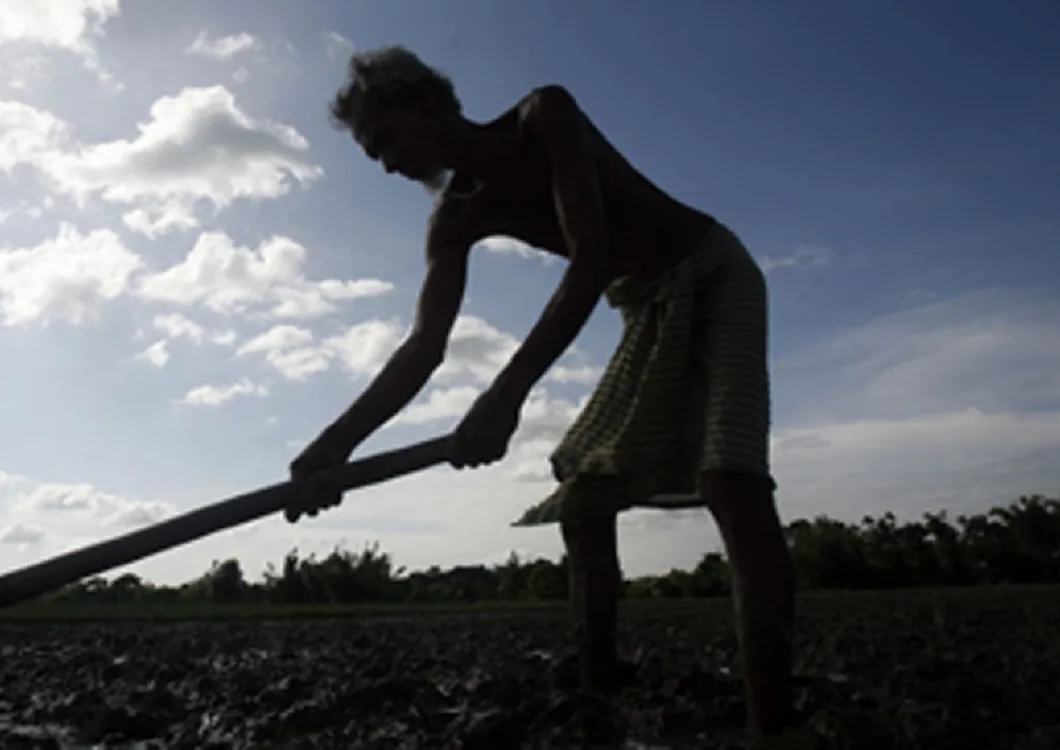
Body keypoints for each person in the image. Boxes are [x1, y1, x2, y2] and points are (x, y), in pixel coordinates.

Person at [285, 45, 796, 740]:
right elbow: (423, 349)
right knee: (583, 501)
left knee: (729, 481)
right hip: (645, 304)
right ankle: (596, 705)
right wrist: (333, 445)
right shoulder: (452, 222)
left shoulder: (542, 115)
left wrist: (505, 395)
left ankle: (772, 726)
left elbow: (589, 258)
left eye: (382, 139)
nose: (382, 162)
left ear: (423, 105)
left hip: (709, 269)